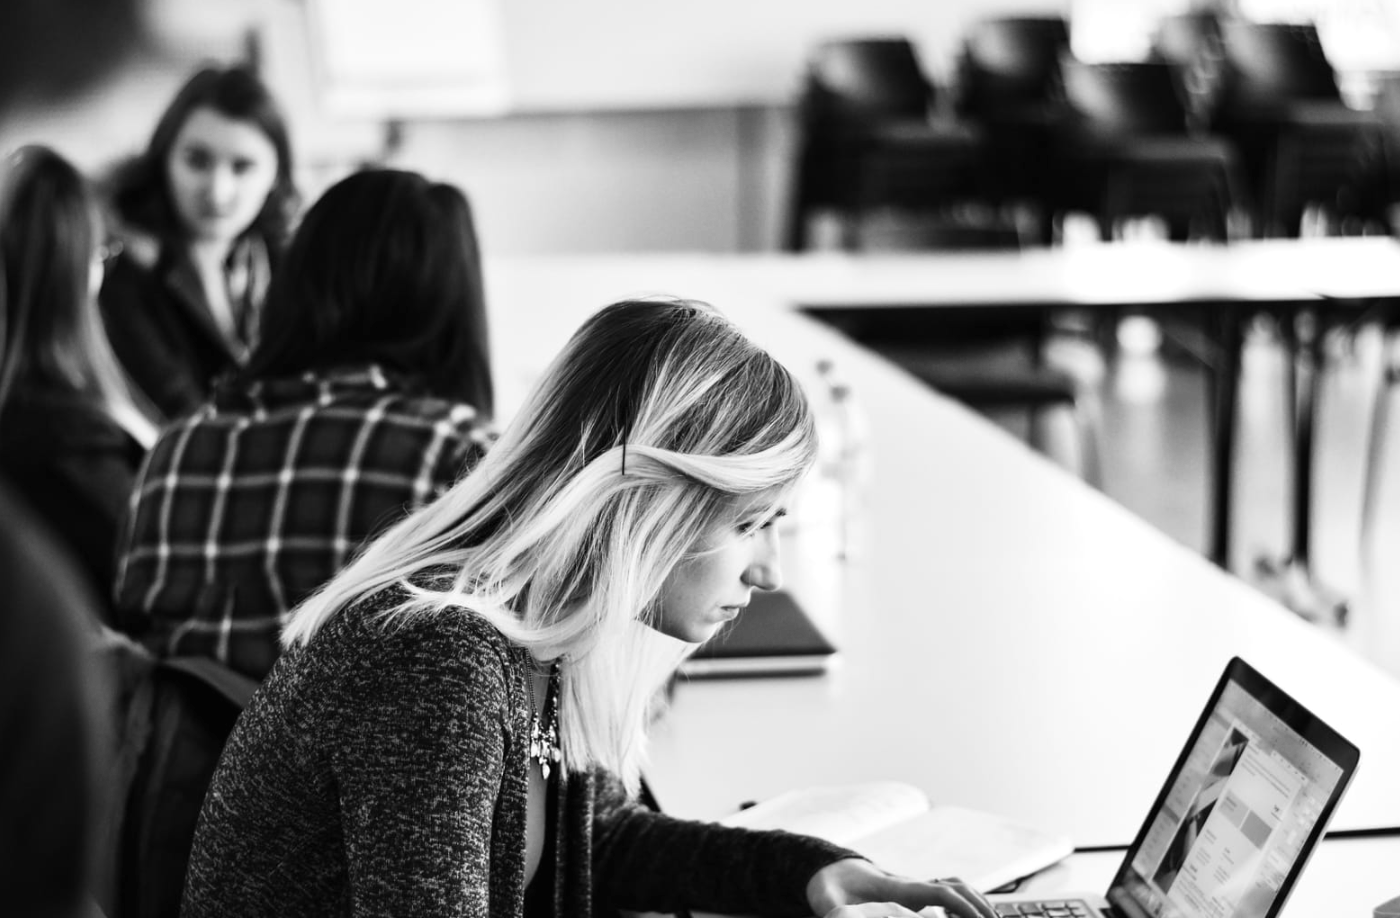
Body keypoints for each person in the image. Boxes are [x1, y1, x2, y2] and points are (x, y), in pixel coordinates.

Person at [181, 298, 996, 918]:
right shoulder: (441, 663)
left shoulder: (540, 627)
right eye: (749, 525)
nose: (769, 574)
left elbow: (598, 839)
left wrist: (811, 874)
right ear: (643, 503)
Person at [113, 168, 494, 681]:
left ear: (298, 278)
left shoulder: (174, 451)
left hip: (178, 757)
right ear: (452, 304)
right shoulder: (461, 457)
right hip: (355, 761)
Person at [0, 145, 157, 616]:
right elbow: (149, 577)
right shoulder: (57, 429)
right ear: (77, 268)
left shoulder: (64, 404)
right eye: (101, 253)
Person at [99, 64, 299, 421]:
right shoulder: (120, 267)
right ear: (164, 160)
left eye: (243, 167)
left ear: (276, 176)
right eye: (197, 161)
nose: (218, 191)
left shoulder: (285, 264)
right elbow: (180, 409)